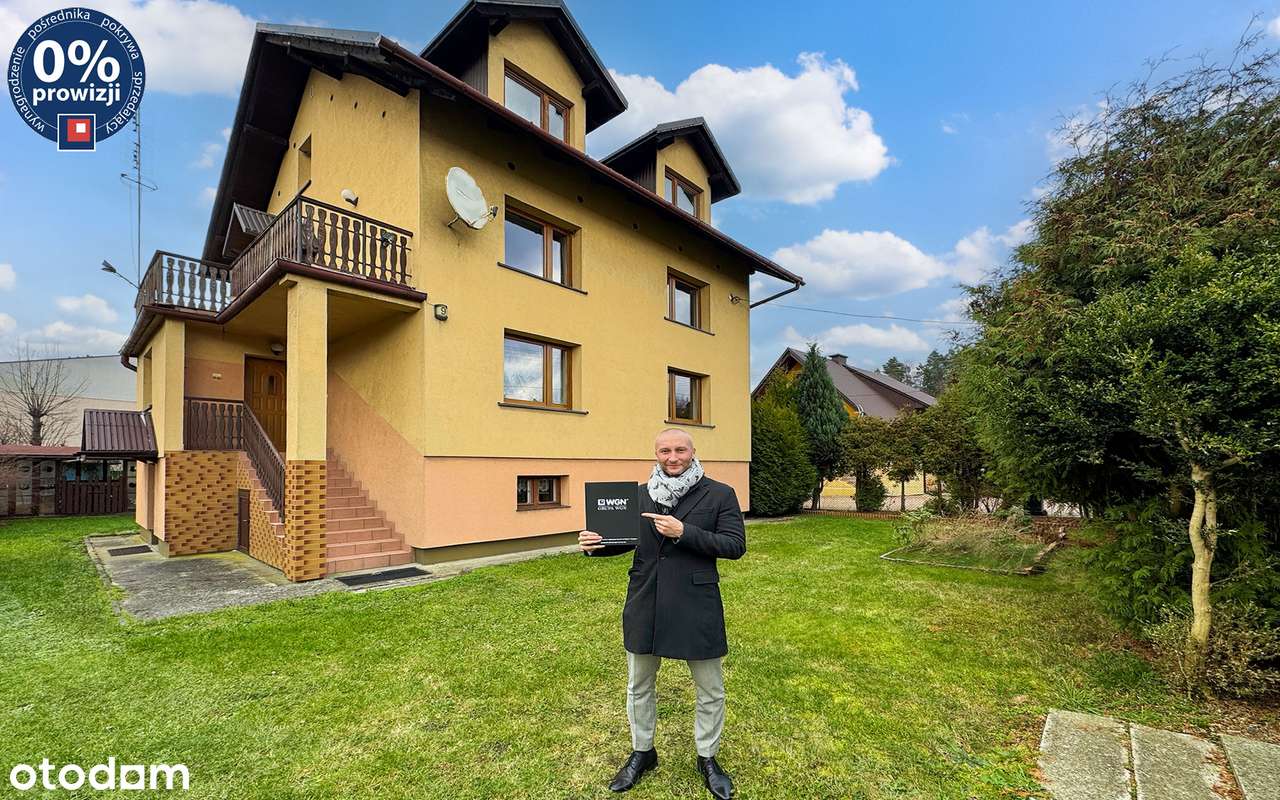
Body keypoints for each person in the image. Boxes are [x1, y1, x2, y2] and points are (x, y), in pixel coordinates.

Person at [580, 428, 746, 799]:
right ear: (656, 454)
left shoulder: (720, 494)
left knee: (710, 689)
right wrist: (595, 545)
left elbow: (735, 545)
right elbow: (624, 540)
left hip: (696, 602)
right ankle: (643, 752)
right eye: (665, 451)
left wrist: (684, 531)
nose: (673, 457)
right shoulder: (639, 495)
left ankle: (707, 757)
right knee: (639, 685)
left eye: (680, 450)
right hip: (647, 600)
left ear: (693, 451)